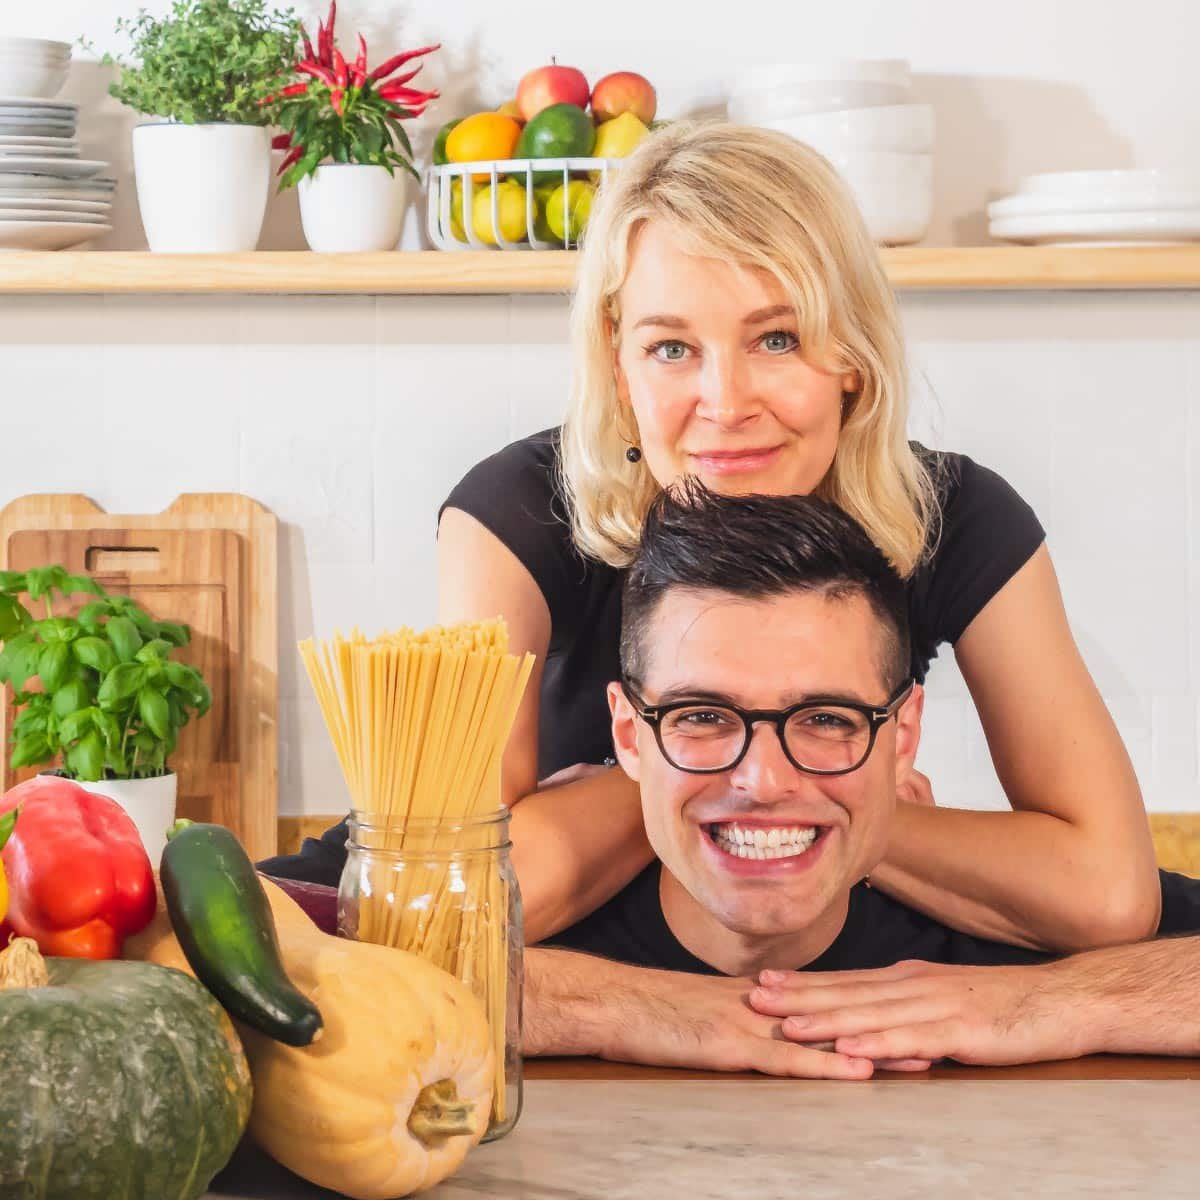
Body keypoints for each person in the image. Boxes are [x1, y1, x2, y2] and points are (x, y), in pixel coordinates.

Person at [265, 119, 1161, 959]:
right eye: (670, 349)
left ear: (852, 350)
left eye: (776, 338)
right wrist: (784, 796)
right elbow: (456, 896)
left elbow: (1108, 893)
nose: (726, 405)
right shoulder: (515, 514)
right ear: (616, 358)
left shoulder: (957, 515)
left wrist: (799, 816)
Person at [524, 482, 1200, 1079]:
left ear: (901, 737)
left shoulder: (996, 934)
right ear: (627, 736)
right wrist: (629, 1008)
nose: (763, 780)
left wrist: (1052, 1000)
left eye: (825, 718)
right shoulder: (525, 942)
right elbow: (417, 964)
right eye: (702, 715)